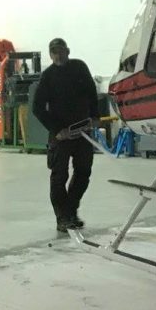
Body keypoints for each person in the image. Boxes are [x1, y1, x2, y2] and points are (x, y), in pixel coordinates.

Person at [29, 37, 99, 232]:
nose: (58, 55)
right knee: (59, 176)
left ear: (68, 51)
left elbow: (92, 93)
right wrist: (57, 130)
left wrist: (95, 116)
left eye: (61, 51)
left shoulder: (79, 68)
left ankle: (71, 211)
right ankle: (62, 218)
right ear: (51, 55)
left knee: (84, 172)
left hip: (83, 130)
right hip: (61, 135)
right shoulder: (48, 76)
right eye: (54, 52)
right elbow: (37, 108)